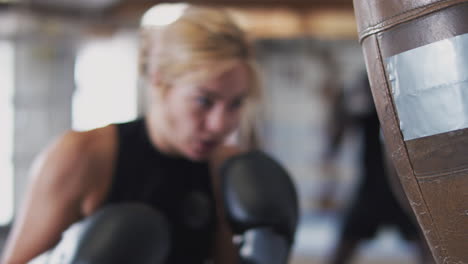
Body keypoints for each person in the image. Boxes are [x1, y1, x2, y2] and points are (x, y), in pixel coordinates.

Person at [1, 6, 266, 264]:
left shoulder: (225, 168)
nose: (220, 125)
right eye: (203, 101)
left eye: (235, 104)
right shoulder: (82, 156)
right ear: (158, 80)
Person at [322, 71, 432, 264]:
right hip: (377, 187)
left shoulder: (403, 81)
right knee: (343, 248)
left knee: (429, 248)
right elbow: (339, 130)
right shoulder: (366, 83)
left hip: (402, 188)